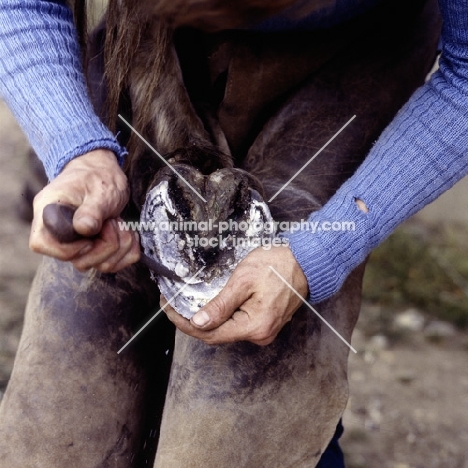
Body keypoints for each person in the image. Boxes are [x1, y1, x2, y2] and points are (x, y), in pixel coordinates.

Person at [0, 0, 466, 466]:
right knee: (61, 411)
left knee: (250, 399)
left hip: (352, 55)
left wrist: (320, 250)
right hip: (149, 41)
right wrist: (76, 149)